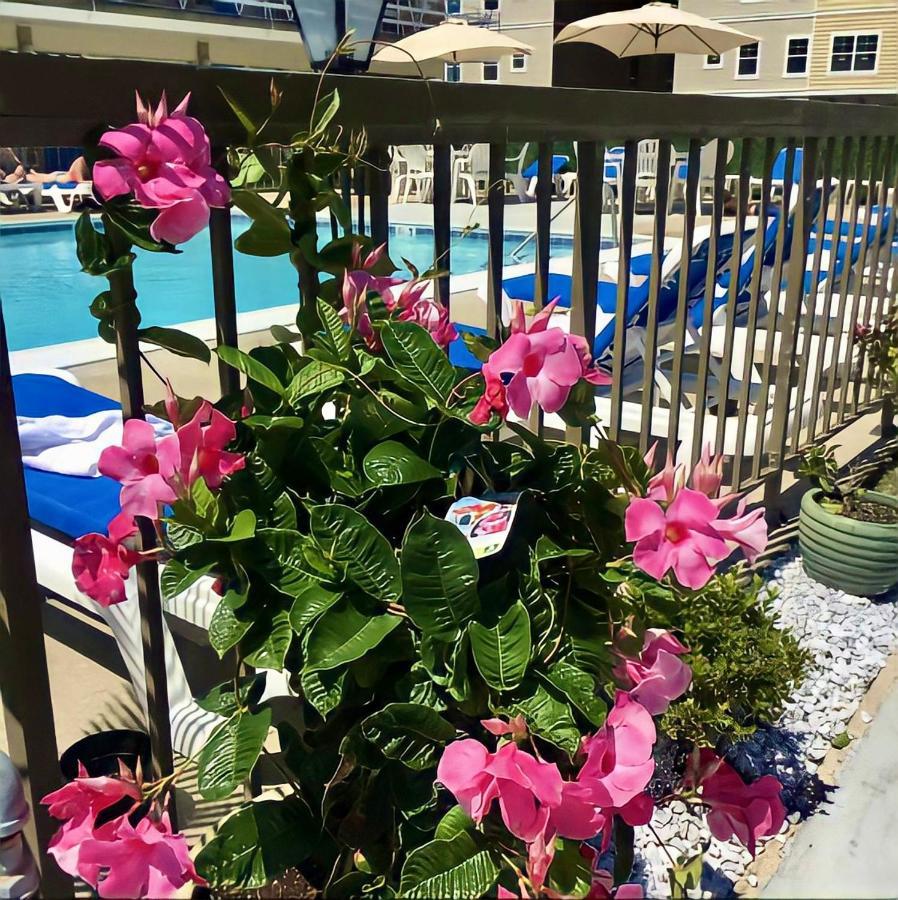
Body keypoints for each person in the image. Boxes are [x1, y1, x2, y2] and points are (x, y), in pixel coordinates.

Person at [0, 148, 88, 184]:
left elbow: (18, 165)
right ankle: (67, 176)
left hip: (20, 176)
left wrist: (19, 169)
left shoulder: (6, 151)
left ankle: (66, 176)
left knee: (47, 177)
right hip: (11, 179)